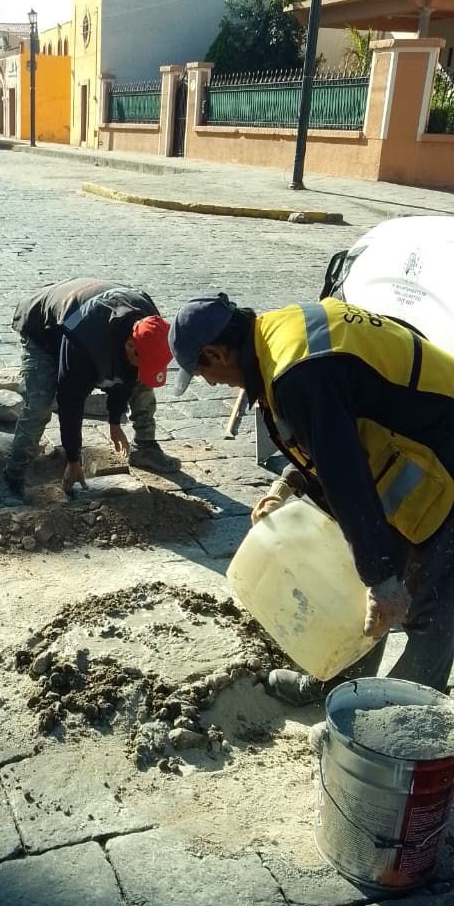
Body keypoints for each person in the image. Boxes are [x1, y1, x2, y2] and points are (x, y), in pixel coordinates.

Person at [168, 291, 454, 702]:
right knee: (366, 580)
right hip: (413, 454)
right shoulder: (276, 335)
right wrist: (290, 481)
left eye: (201, 374)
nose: (211, 383)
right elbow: (332, 430)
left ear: (215, 353)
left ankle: (393, 732)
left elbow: (346, 480)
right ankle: (338, 685)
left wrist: (384, 582)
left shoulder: (297, 373)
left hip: (444, 459)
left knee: (429, 613)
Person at [5, 278, 180, 495]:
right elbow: (70, 400)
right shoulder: (84, 338)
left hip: (87, 309)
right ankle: (15, 473)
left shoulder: (152, 325)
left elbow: (127, 376)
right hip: (43, 326)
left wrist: (114, 421)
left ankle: (146, 447)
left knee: (142, 382)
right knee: (40, 404)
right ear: (130, 345)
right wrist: (73, 459)